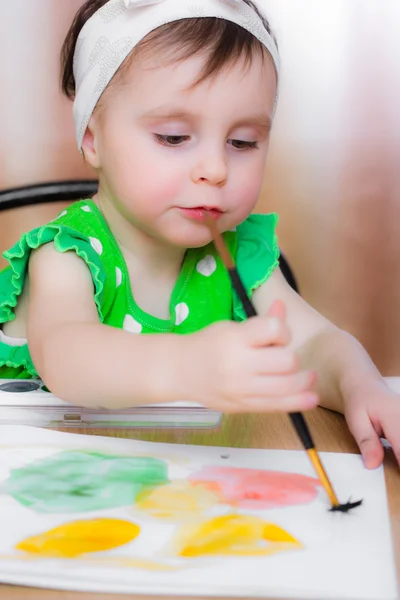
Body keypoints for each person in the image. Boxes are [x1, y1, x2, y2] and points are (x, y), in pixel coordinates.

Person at [0, 0, 398, 469]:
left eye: (242, 142)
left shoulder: (238, 253)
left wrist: (361, 386)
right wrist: (188, 365)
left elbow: (312, 345)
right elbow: (67, 356)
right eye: (173, 137)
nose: (215, 168)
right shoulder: (67, 254)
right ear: (93, 138)